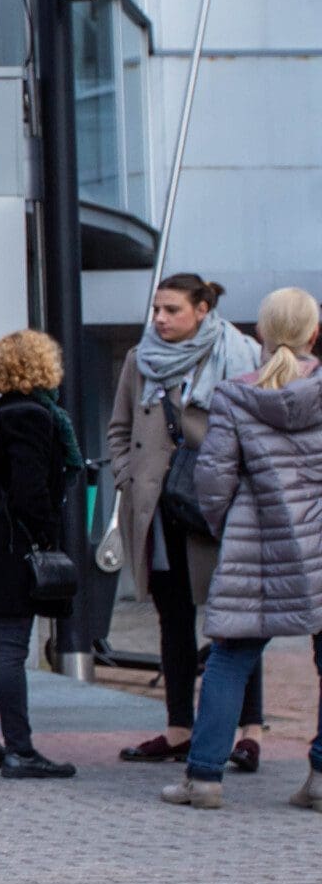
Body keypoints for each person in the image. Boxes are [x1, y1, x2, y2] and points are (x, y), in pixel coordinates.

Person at [160, 288, 322, 810]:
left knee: (231, 656)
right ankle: (319, 779)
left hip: (256, 540)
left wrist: (225, 523)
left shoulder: (234, 394)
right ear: (314, 334)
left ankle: (204, 778)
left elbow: (213, 476)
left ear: (260, 335)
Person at [107, 273, 264, 768]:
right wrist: (128, 477)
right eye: (157, 309)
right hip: (158, 509)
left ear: (201, 309)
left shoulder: (241, 355)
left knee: (235, 621)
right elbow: (120, 428)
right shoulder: (140, 359)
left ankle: (249, 731)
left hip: (218, 508)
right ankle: (178, 728)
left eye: (172, 309)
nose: (159, 319)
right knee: (172, 618)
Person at [0, 330, 80, 780]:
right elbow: (31, 491)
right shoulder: (32, 417)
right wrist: (46, 538)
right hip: (14, 548)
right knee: (9, 648)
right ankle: (20, 749)